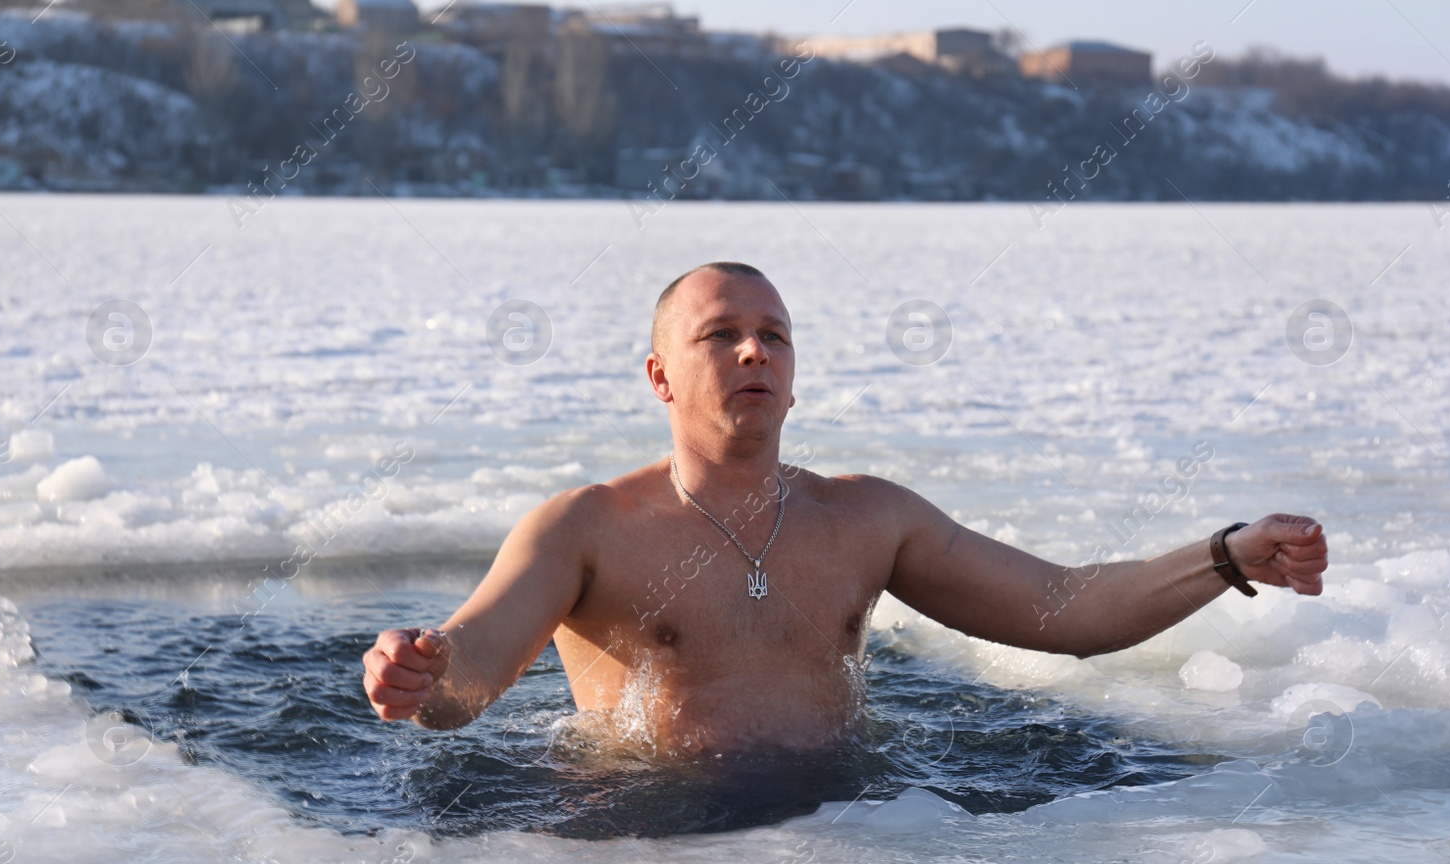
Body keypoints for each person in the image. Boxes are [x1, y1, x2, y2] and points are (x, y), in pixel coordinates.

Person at [362, 262, 1327, 755]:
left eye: (773, 335)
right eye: (722, 336)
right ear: (659, 375)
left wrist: (1226, 556)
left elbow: (1067, 610)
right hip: (646, 843)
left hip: (848, 820)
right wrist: (418, 673)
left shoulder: (867, 519)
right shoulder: (584, 528)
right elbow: (472, 674)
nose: (755, 353)